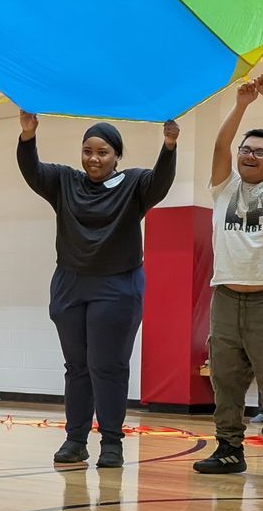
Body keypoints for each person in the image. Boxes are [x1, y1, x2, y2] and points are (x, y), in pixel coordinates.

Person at [19, 113, 178, 469]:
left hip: (117, 285)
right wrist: (28, 136)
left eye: (103, 152)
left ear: (116, 155)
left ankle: (111, 443)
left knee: (106, 365)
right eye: (88, 151)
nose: (94, 158)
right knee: (76, 367)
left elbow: (160, 184)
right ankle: (75, 441)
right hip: (70, 283)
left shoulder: (133, 183)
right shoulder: (64, 181)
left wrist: (168, 147)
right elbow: (33, 172)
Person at [193, 76, 263, 480]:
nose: (250, 155)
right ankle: (229, 450)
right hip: (226, 298)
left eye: (260, 152)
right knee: (225, 379)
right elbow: (220, 146)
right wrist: (239, 106)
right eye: (246, 150)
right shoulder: (223, 189)